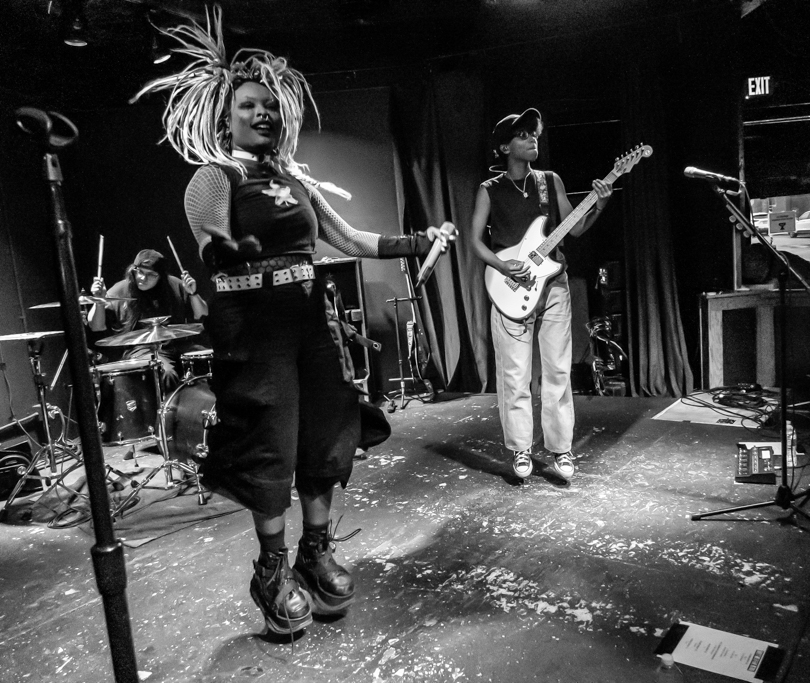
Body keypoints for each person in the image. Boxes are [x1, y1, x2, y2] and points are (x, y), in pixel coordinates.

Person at [132, 8, 452, 638]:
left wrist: (418, 241)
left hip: (310, 324)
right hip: (254, 331)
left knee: (324, 438)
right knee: (271, 447)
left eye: (270, 106)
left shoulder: (296, 180)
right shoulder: (214, 178)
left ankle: (315, 550)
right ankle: (272, 568)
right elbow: (210, 242)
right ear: (225, 117)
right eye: (248, 106)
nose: (262, 114)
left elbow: (351, 238)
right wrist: (231, 250)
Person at [468, 108, 613, 483]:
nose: (532, 138)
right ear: (505, 147)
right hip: (511, 287)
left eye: (533, 133)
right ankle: (521, 448)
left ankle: (561, 449)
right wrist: (503, 267)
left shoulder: (550, 181)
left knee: (558, 371)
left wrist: (599, 203)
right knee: (515, 374)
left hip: (553, 286)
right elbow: (475, 242)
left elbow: (574, 228)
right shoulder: (490, 190)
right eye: (522, 135)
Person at [87, 249, 208, 384]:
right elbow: (96, 326)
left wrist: (193, 293)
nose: (143, 278)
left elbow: (202, 314)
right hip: (141, 349)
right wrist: (99, 301)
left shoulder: (174, 285)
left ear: (161, 276)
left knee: (207, 358)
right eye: (139, 272)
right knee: (166, 372)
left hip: (177, 344)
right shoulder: (120, 290)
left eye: (151, 274)